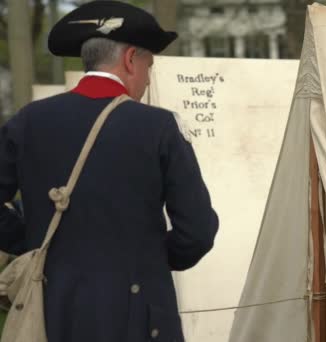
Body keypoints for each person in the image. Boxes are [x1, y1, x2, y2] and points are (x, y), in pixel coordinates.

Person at [0, 1, 219, 341]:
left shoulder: (27, 121)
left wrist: (30, 239)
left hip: (50, 311)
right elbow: (197, 232)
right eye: (149, 66)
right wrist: (149, 260)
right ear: (131, 59)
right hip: (139, 317)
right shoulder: (158, 126)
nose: (147, 80)